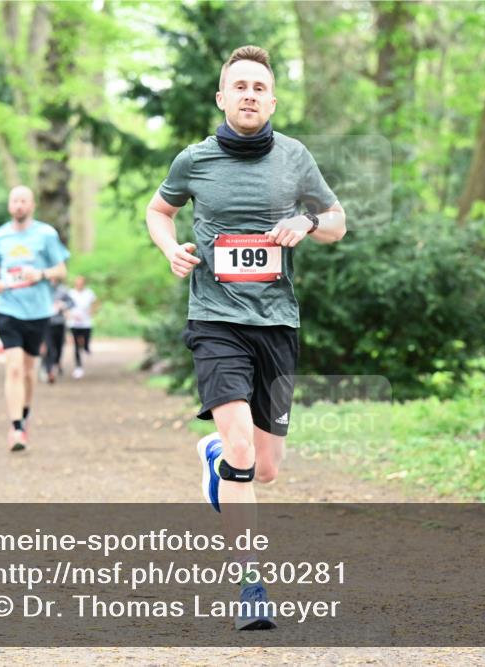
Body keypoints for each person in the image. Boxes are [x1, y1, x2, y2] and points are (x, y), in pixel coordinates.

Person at [145, 45, 345, 630]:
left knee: (266, 469)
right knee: (240, 451)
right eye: (240, 86)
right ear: (222, 98)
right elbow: (159, 211)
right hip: (215, 320)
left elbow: (337, 222)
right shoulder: (194, 160)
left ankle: (214, 456)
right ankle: (250, 587)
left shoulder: (295, 158)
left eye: (259, 87)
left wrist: (307, 220)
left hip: (277, 323)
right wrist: (170, 249)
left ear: (273, 100)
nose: (250, 94)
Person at [0, 185, 69, 452]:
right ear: (9, 205)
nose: (19, 205)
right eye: (15, 201)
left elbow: (61, 270)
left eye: (24, 201)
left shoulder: (46, 234)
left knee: (28, 370)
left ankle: (24, 413)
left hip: (38, 311)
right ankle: (17, 428)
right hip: (7, 307)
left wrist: (41, 274)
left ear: (32, 205)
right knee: (13, 367)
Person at [66, 275, 98, 379]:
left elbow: (95, 304)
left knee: (86, 342)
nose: (79, 284)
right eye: (77, 283)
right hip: (74, 323)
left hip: (86, 323)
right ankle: (78, 367)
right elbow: (66, 306)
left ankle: (86, 348)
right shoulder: (70, 293)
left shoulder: (89, 293)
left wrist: (91, 312)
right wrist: (69, 315)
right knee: (76, 345)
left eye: (81, 283)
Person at [41, 279, 73, 384]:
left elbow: (72, 303)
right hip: (46, 323)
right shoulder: (42, 289)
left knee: (59, 347)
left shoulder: (63, 290)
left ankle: (55, 363)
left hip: (59, 323)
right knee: (49, 347)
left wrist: (63, 305)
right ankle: (49, 370)